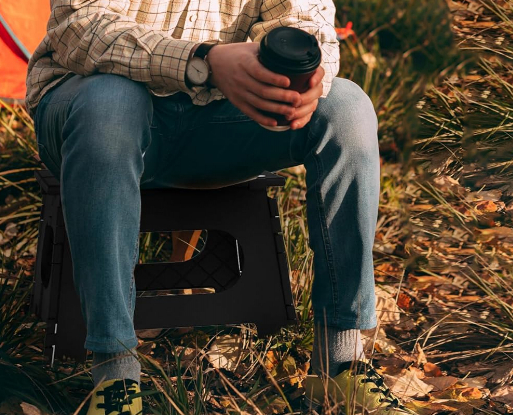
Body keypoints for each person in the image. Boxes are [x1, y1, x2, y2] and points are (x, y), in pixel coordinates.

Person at [27, 1, 415, 414]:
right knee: (111, 102)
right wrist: (201, 62)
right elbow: (80, 28)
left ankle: (339, 366)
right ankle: (115, 377)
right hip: (93, 105)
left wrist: (300, 78)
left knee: (348, 108)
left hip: (218, 116)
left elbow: (306, 24)